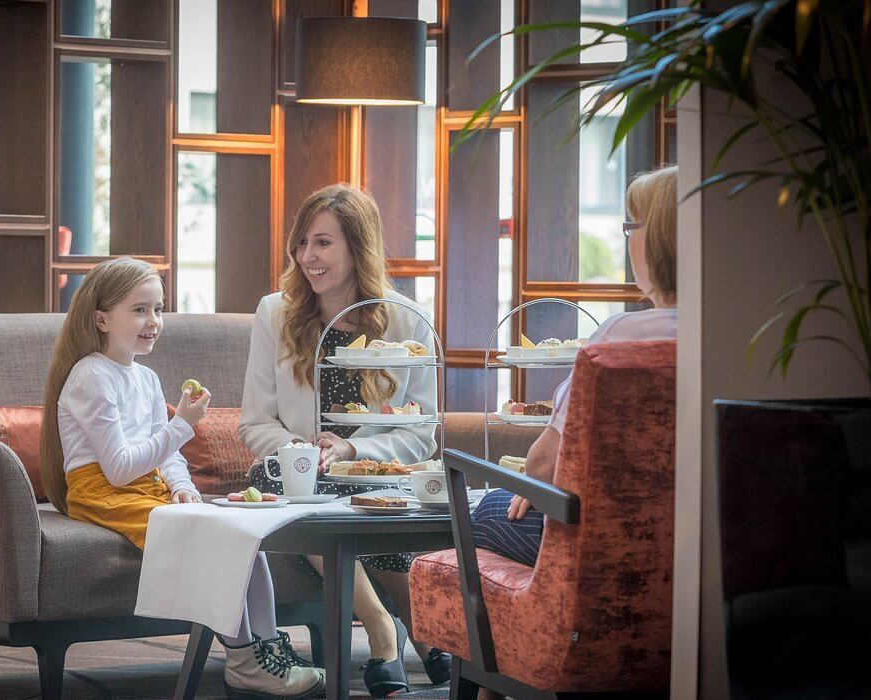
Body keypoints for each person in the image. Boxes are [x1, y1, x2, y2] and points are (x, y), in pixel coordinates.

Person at [38, 257, 324, 699]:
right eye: (139, 310)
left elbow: (164, 455)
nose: (153, 321)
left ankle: (270, 652)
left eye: (158, 309)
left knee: (244, 538)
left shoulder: (147, 378)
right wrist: (183, 425)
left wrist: (183, 487)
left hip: (144, 487)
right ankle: (243, 658)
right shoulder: (91, 376)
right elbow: (118, 467)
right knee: (217, 544)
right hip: (102, 493)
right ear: (101, 319)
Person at [240, 184, 450, 696]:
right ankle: (387, 626)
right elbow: (255, 423)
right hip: (299, 474)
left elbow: (421, 432)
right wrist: (304, 454)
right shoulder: (275, 313)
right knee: (288, 478)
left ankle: (418, 629)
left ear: (359, 246)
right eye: (302, 243)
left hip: (378, 477)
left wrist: (352, 450)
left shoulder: (406, 318)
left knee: (352, 490)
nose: (308, 257)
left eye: (324, 243)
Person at [471, 164, 679, 567]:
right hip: (685, 543)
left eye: (631, 227)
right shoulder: (724, 339)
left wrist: (534, 486)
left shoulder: (621, 337)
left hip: (602, 541)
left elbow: (543, 464)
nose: (628, 239)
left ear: (656, 240)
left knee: (484, 511)